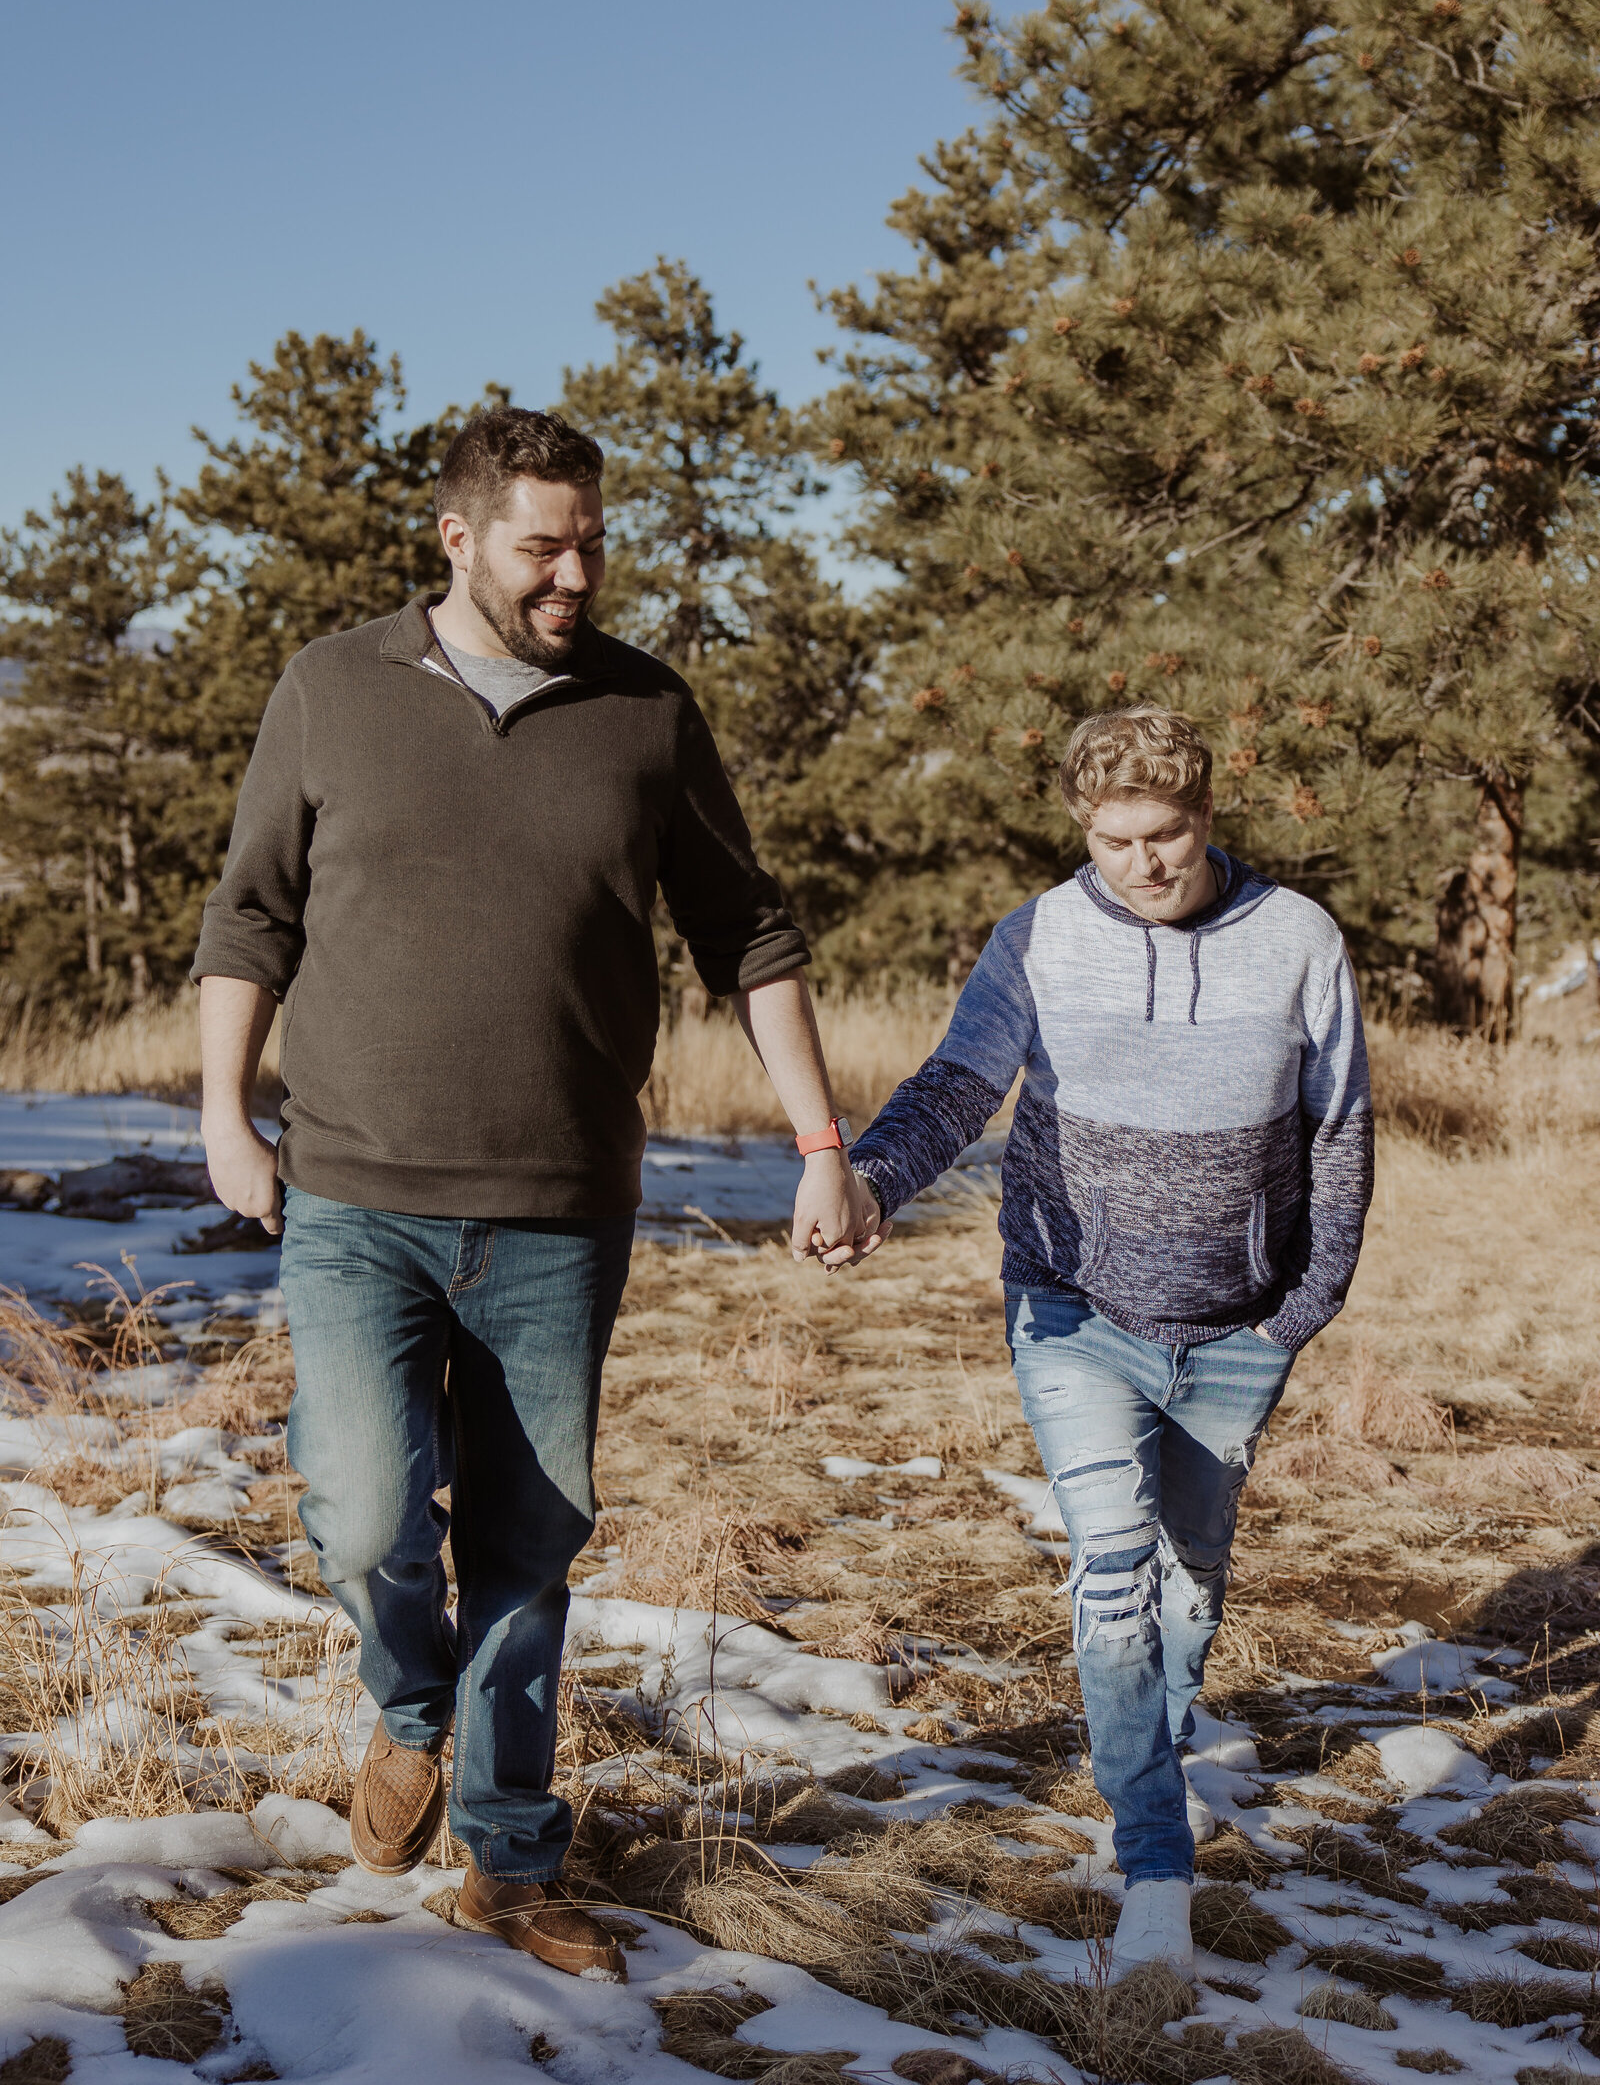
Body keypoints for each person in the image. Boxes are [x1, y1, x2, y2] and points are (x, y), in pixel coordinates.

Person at [194, 405, 878, 1980]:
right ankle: (411, 1704)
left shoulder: (644, 709)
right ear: (458, 539)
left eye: (588, 544)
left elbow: (750, 938)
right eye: (539, 546)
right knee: (364, 1507)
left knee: (528, 1538)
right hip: (355, 1193)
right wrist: (229, 1115)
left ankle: (508, 1854)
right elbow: (251, 920)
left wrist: (821, 1146)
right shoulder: (332, 689)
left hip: (564, 1207)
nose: (573, 574)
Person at [844, 705, 1372, 1979]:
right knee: (1114, 1574)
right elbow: (958, 1086)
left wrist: (1296, 1311)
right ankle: (1154, 1866)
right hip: (1072, 1311)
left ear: (1206, 816)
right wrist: (869, 1181)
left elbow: (1341, 1131)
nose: (1139, 861)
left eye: (1164, 835)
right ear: (1085, 827)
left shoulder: (1298, 939)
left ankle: (1145, 1740)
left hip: (1237, 1327)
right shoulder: (1038, 935)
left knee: (1189, 1585)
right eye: (1111, 838)